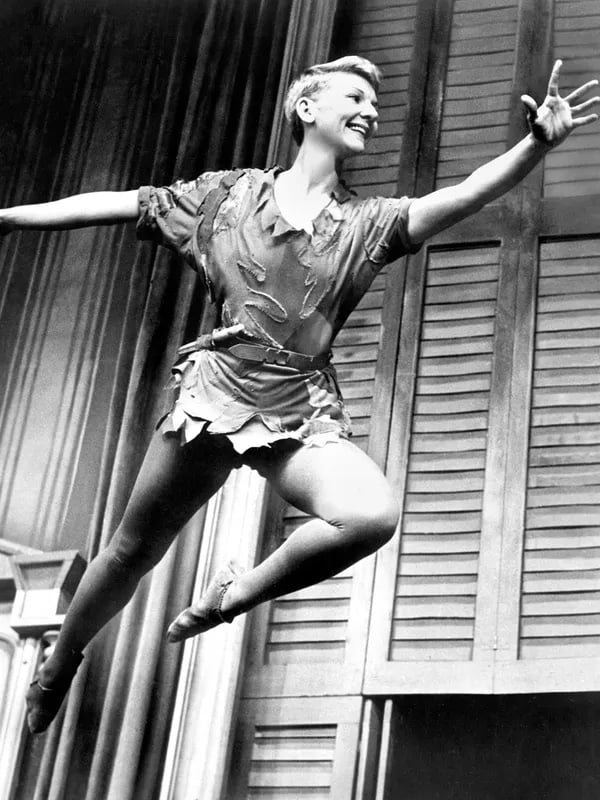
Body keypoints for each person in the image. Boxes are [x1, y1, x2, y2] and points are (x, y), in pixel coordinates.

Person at [3, 55, 596, 734]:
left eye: (376, 103)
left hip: (297, 409)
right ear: (307, 109)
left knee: (371, 515)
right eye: (355, 96)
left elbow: (463, 196)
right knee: (131, 551)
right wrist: (11, 218)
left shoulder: (367, 222)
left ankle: (237, 592)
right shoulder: (226, 198)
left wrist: (535, 146)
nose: (371, 110)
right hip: (216, 397)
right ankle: (59, 663)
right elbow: (122, 202)